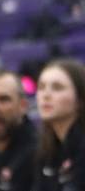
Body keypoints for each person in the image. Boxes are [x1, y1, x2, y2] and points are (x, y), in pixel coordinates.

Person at [35, 59, 85, 191]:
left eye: (57, 88)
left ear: (79, 99)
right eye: (41, 87)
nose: (45, 95)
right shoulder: (47, 147)